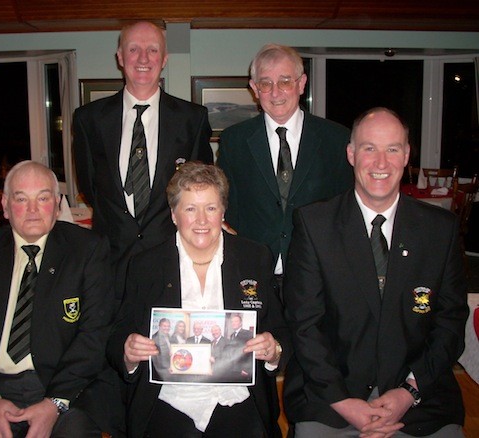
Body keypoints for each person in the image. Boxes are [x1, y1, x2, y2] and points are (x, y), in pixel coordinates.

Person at [282, 108, 468, 437]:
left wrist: (409, 391)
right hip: (331, 398)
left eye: (392, 149)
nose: (381, 164)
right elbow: (304, 326)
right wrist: (343, 401)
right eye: (369, 148)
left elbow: (450, 324)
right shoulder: (314, 225)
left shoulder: (441, 230)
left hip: (418, 399)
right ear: (351, 154)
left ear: (407, 155)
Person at [106, 162, 289, 437]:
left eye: (211, 208)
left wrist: (273, 349)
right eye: (190, 209)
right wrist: (128, 350)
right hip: (169, 398)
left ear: (223, 211)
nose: (202, 220)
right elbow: (118, 333)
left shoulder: (255, 257)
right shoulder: (146, 265)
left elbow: (282, 330)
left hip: (236, 396)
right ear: (174, 215)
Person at [0, 161, 117, 437]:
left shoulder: (88, 251)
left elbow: (95, 335)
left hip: (65, 389)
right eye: (21, 199)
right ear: (5, 205)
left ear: (58, 205)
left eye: (43, 198)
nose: (33, 210)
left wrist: (54, 403)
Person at [73, 21, 213, 302]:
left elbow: (200, 188)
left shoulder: (191, 118)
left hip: (172, 259)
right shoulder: (89, 118)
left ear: (164, 59)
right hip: (111, 263)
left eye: (152, 50)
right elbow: (90, 186)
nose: (143, 58)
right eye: (134, 49)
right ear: (120, 57)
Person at [217, 44, 353, 298]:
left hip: (317, 278)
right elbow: (227, 208)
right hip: (251, 277)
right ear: (255, 89)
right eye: (266, 83)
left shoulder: (336, 139)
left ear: (301, 84)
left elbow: (344, 213)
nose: (276, 92)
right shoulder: (234, 141)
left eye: (285, 82)